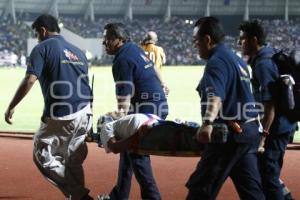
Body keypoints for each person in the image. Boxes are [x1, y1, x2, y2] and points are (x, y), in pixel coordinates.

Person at [4, 14, 93, 200]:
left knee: (41, 154)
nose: (37, 37)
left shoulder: (42, 48)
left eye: (37, 33)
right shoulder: (78, 51)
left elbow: (30, 79)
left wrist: (11, 106)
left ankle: (79, 195)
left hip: (62, 113)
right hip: (85, 111)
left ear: (42, 30)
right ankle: (78, 197)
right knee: (73, 160)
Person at [185, 16, 265, 200]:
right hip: (249, 131)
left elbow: (215, 96)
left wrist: (207, 123)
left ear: (207, 39)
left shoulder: (217, 62)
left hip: (230, 134)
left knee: (201, 188)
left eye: (196, 41)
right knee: (252, 191)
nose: (195, 45)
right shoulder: (235, 59)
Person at [100, 23, 168, 200]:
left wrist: (112, 119)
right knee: (128, 149)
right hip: (157, 104)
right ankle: (119, 196)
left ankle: (153, 198)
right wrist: (163, 85)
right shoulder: (135, 49)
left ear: (119, 39)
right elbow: (153, 66)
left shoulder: (122, 60)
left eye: (107, 39)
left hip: (146, 109)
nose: (104, 42)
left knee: (137, 154)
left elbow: (123, 102)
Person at [239, 20, 297, 200]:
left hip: (277, 128)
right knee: (268, 172)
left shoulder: (263, 64)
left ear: (254, 40)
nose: (239, 43)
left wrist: (262, 137)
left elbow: (269, 104)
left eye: (242, 39)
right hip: (284, 124)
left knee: (268, 176)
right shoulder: (270, 55)